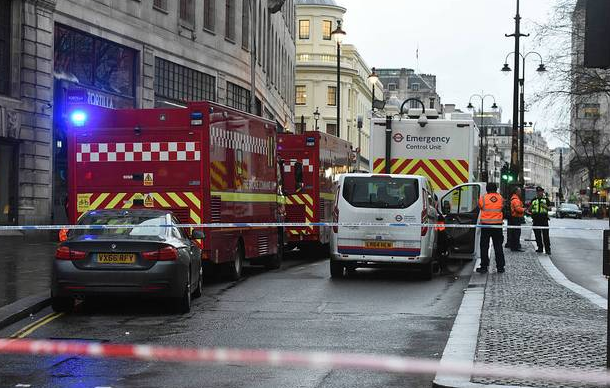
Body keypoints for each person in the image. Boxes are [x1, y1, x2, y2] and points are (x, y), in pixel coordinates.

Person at [476, 182, 505, 274]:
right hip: (497, 225)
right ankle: (500, 267)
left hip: (486, 225)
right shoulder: (501, 198)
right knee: (498, 246)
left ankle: (484, 267)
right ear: (496, 189)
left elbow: (480, 206)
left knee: (484, 246)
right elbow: (503, 207)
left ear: (487, 189)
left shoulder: (483, 198)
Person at [528, 186, 551, 254]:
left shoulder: (546, 200)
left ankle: (547, 249)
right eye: (538, 192)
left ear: (542, 192)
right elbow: (529, 209)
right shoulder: (534, 200)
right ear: (536, 192)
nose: (539, 193)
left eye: (540, 191)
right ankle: (540, 247)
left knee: (545, 235)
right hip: (536, 220)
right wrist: (530, 209)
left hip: (544, 220)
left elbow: (550, 208)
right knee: (537, 235)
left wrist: (545, 206)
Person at [508, 187, 525, 251]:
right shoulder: (516, 200)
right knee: (516, 233)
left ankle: (514, 246)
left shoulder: (514, 199)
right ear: (516, 192)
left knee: (514, 233)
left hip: (514, 218)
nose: (520, 192)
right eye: (519, 191)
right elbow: (518, 209)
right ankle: (515, 247)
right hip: (515, 218)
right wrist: (524, 209)